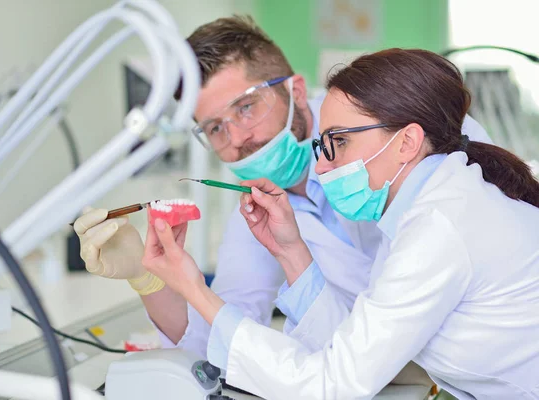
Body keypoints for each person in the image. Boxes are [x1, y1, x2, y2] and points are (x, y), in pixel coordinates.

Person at [73, 17, 491, 363]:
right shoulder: (258, 208)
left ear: (293, 91)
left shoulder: (396, 125)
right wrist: (149, 278)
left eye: (246, 108)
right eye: (215, 128)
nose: (237, 139)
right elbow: (217, 338)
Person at [141, 48, 539, 400]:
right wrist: (290, 250)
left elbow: (333, 383)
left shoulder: (437, 225)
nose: (321, 166)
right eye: (214, 128)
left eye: (338, 142)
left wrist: (193, 286)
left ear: (407, 142)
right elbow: (351, 343)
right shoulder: (425, 206)